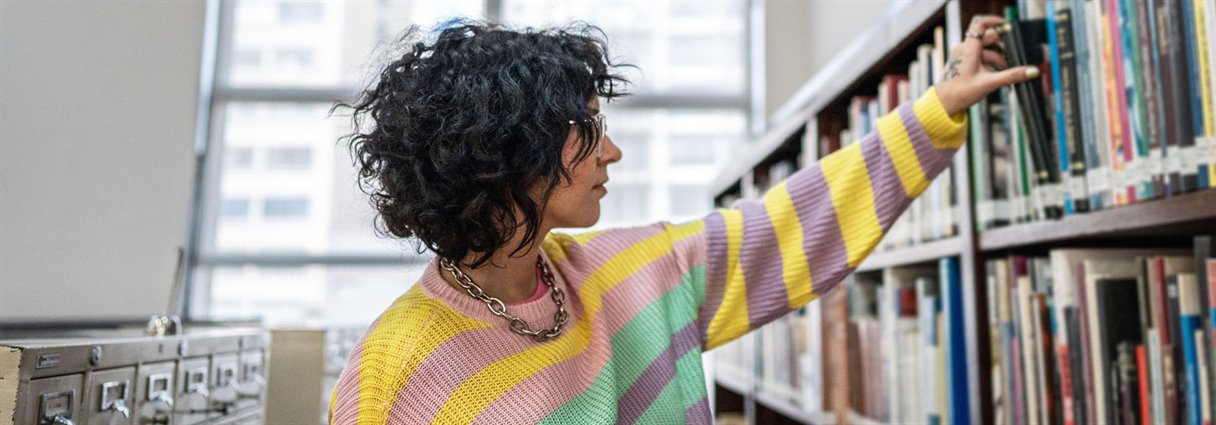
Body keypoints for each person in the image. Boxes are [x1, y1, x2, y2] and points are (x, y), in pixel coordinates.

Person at [328, 15, 1036, 424]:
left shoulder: (636, 273)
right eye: (586, 130)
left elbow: (796, 221)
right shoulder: (395, 371)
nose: (613, 151)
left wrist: (938, 105)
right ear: (508, 153)